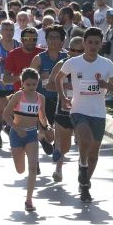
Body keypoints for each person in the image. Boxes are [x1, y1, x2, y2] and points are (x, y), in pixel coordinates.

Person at [55, 27, 113, 203]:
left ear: (101, 44)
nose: (92, 46)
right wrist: (62, 98)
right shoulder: (73, 62)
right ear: (83, 43)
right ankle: (82, 167)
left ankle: (85, 184)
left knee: (94, 153)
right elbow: (58, 78)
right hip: (78, 110)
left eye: (96, 43)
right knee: (85, 139)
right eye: (89, 42)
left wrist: (104, 84)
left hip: (98, 113)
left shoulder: (107, 64)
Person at [2, 68, 49, 212]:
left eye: (34, 85)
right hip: (16, 134)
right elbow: (5, 115)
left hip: (31, 135)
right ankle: (20, 152)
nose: (31, 87)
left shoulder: (41, 98)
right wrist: (16, 129)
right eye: (28, 84)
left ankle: (29, 199)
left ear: (38, 84)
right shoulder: (18, 96)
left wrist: (47, 127)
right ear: (22, 83)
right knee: (20, 170)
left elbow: (42, 116)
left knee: (33, 168)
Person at [46, 37, 84, 182]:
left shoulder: (89, 65)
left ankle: (83, 171)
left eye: (79, 51)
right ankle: (58, 169)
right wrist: (64, 87)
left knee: (82, 142)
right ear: (68, 51)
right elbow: (49, 85)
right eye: (72, 50)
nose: (75, 53)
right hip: (64, 109)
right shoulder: (61, 65)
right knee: (65, 145)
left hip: (83, 109)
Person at [30, 25, 67, 156]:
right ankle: (42, 138)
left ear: (62, 41)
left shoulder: (67, 57)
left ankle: (56, 145)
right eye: (50, 37)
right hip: (42, 100)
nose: (53, 40)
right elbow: (29, 78)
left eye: (57, 38)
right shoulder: (39, 58)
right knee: (47, 133)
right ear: (46, 40)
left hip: (61, 99)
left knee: (59, 129)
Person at [0, 21, 17, 148]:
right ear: (1, 31)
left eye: (11, 29)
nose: (8, 32)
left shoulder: (18, 45)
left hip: (14, 84)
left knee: (13, 112)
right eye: (5, 29)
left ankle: (9, 129)